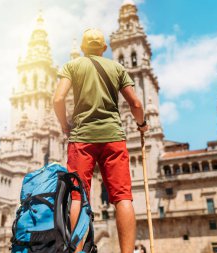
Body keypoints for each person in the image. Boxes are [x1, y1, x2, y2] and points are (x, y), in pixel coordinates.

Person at [53, 28, 148, 253]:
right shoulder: (117, 68)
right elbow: (135, 104)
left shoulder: (72, 66)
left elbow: (58, 98)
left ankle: (75, 250)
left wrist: (64, 124)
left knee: (77, 195)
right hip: (113, 138)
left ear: (84, 48)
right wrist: (142, 125)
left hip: (82, 138)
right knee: (123, 197)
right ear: (105, 48)